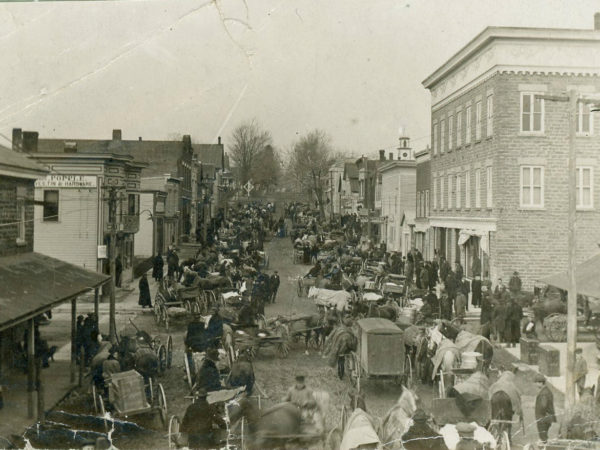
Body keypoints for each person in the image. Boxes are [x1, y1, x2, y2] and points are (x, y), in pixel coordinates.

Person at [535, 374, 556, 443]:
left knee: (543, 438)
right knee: (544, 437)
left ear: (541, 382)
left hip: (543, 419)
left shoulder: (543, 393)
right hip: (547, 418)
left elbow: (543, 406)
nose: (536, 384)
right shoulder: (547, 391)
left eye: (537, 382)